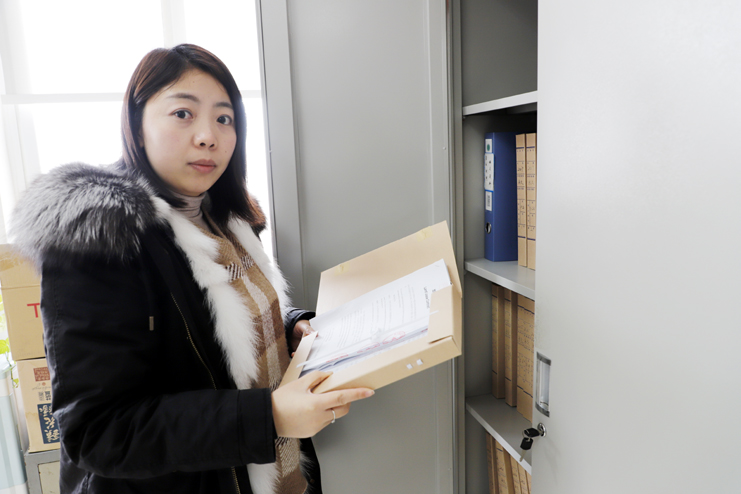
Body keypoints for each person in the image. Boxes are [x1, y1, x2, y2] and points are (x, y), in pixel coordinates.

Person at [9, 44, 374, 494]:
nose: (208, 136)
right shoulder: (101, 239)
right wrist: (271, 416)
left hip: (279, 476)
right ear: (137, 126)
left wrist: (289, 327)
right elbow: (98, 432)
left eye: (224, 118)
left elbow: (208, 332)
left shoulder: (228, 218)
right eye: (183, 114)